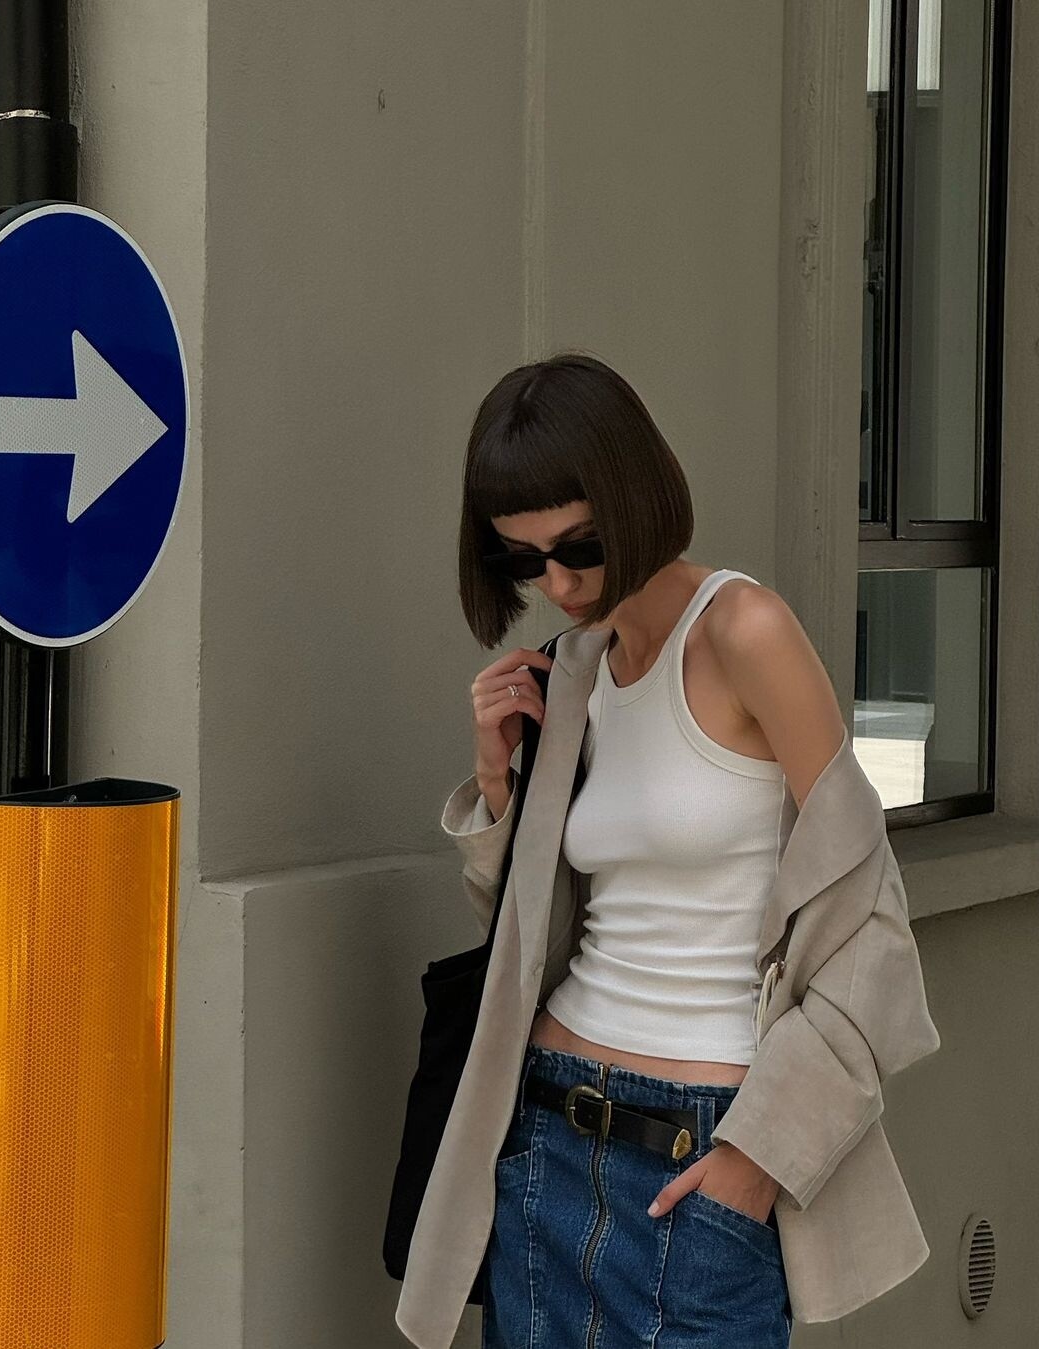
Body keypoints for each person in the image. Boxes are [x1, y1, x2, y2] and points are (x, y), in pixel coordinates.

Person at [457, 351, 849, 1347]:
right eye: (523, 560)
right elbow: (524, 935)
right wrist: (499, 781)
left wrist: (758, 1157)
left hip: (701, 1152)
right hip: (547, 1138)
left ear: (634, 496)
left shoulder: (746, 630)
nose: (557, 583)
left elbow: (868, 920)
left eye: (580, 546)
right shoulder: (575, 671)